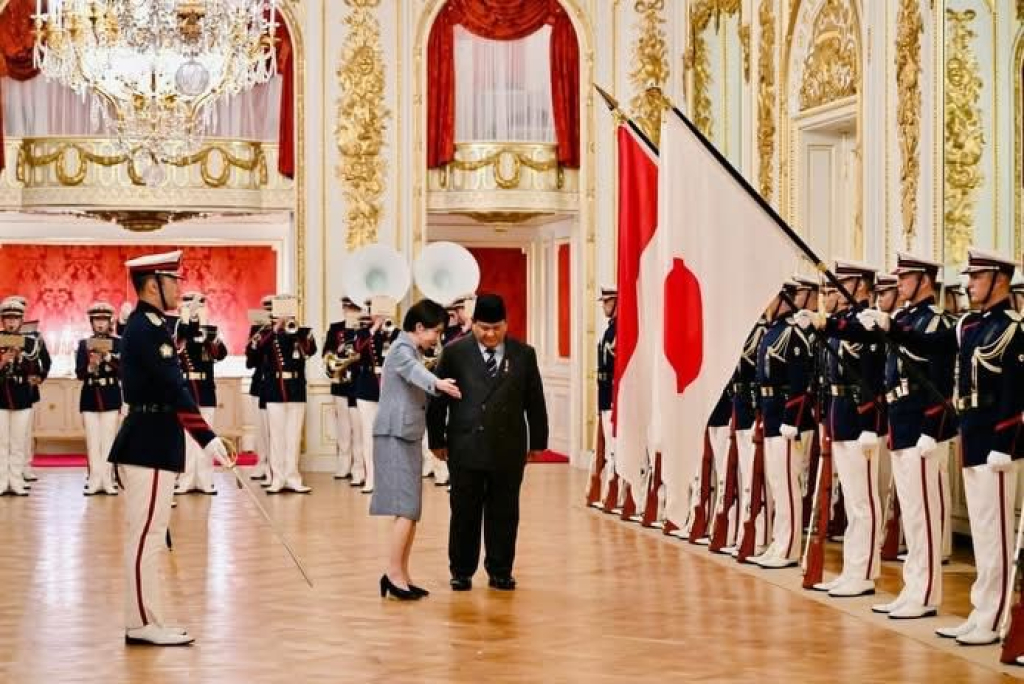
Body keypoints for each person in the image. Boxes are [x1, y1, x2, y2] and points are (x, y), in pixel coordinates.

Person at [859, 247, 1024, 646]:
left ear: (1000, 279)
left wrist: (1005, 441)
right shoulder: (969, 325)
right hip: (972, 433)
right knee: (983, 534)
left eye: (977, 277)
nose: (969, 284)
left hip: (996, 441)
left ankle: (995, 616)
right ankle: (980, 611)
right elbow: (930, 344)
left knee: (995, 533)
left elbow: (1015, 391)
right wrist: (890, 327)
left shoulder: (1013, 328)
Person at [108, 250, 231, 646]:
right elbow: (173, 389)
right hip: (148, 442)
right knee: (146, 536)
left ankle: (149, 618)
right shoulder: (145, 328)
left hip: (154, 439)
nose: (179, 288)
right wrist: (208, 439)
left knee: (151, 534)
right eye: (173, 281)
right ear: (151, 285)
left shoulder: (154, 325)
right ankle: (141, 622)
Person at [427, 294, 548, 591]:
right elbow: (438, 400)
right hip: (465, 445)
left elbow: (535, 400)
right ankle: (461, 571)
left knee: (504, 512)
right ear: (474, 324)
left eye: (496, 328)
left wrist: (538, 441)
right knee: (464, 511)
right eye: (484, 328)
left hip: (508, 448)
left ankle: (500, 570)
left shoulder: (524, 354)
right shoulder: (454, 353)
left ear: (506, 324)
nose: (490, 334)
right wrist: (437, 439)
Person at [371, 299, 462, 600]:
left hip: (406, 435)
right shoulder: (401, 349)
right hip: (395, 435)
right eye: (436, 332)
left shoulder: (411, 349)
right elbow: (414, 373)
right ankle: (393, 575)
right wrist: (439, 384)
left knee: (410, 509)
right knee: (405, 509)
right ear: (420, 327)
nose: (438, 338)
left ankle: (402, 574)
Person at [252, 296, 316, 494]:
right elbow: (256, 352)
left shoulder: (302, 332)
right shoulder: (266, 333)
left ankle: (293, 478)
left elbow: (310, 351)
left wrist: (295, 329)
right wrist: (276, 328)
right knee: (277, 437)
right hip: (274, 389)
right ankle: (278, 478)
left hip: (296, 389)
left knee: (293, 437)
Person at [174, 293, 228, 495]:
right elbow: (177, 344)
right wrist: (187, 320)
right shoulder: (179, 328)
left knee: (206, 436)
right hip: (186, 389)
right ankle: (186, 479)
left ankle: (205, 480)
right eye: (191, 307)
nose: (195, 311)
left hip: (205, 390)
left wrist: (208, 333)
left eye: (199, 307)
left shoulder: (209, 330)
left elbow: (220, 354)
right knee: (187, 439)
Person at [76, 302, 122, 496]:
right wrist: (91, 366)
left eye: (104, 319)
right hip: (90, 396)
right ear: (91, 322)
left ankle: (108, 480)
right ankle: (95, 480)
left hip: (110, 395)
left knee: (109, 440)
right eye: (96, 320)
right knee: (93, 442)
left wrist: (108, 357)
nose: (100, 323)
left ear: (110, 321)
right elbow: (79, 373)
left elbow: (124, 371)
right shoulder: (84, 344)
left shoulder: (118, 343)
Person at [0, 297, 40, 496]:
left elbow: (36, 369)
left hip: (21, 396)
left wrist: (20, 357)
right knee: (2, 442)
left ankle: (15, 480)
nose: (11, 322)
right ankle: (2, 480)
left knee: (17, 442)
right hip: (1, 396)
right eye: (7, 318)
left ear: (21, 320)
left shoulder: (30, 342)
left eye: (15, 318)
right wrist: (2, 361)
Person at [324, 296, 364, 481]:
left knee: (359, 428)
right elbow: (327, 353)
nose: (350, 311)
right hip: (341, 382)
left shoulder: (365, 328)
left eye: (353, 308)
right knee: (343, 427)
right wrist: (338, 350)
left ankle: (359, 467)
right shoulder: (336, 328)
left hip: (359, 382)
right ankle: (344, 464)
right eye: (347, 307)